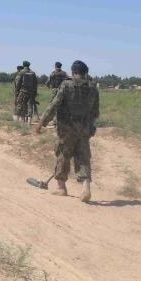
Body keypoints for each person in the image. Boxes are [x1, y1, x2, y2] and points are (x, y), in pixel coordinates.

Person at [35, 60, 99, 202]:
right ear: (85, 72)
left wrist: (42, 122)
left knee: (63, 154)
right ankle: (86, 188)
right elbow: (95, 112)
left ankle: (61, 188)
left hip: (66, 128)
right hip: (84, 128)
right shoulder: (93, 88)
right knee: (83, 157)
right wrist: (90, 127)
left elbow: (54, 105)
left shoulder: (67, 85)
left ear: (73, 72)